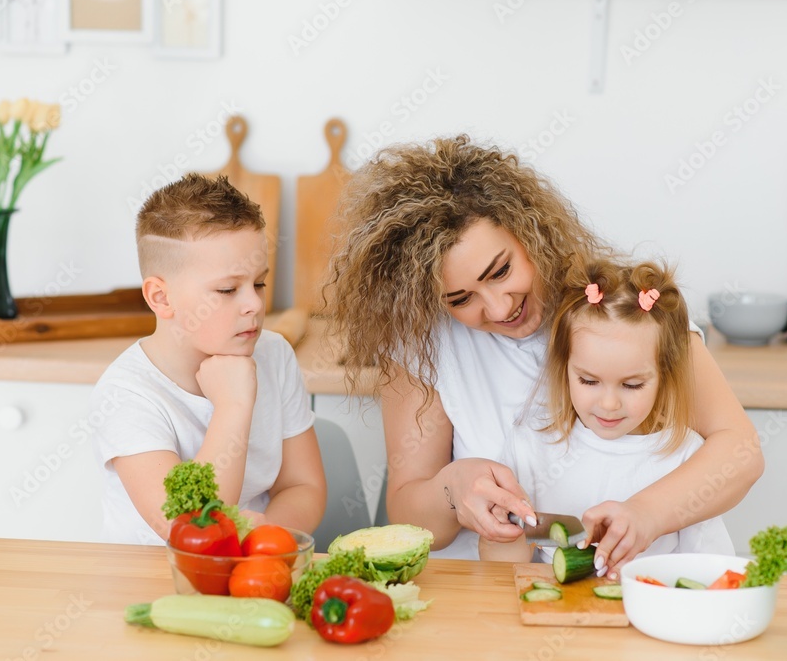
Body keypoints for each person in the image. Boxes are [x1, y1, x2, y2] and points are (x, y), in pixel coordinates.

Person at [326, 135, 761, 571]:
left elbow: (740, 451)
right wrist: (453, 491)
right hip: (485, 595)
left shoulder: (620, 312)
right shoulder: (423, 345)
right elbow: (409, 511)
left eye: (501, 271)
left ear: (529, 233)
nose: (498, 308)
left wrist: (647, 514)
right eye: (460, 299)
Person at [91, 174, 326, 545]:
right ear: (161, 298)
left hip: (245, 574)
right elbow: (190, 528)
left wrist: (259, 541)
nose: (254, 304)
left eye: (259, 283)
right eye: (228, 289)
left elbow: (304, 485)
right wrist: (233, 405)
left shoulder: (274, 353)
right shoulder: (127, 393)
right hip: (149, 585)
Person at [478, 260, 733, 566]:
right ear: (564, 370)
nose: (609, 404)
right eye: (589, 381)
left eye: (632, 384)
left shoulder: (685, 458)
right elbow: (502, 570)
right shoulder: (529, 448)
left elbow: (710, 569)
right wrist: (500, 531)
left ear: (664, 377)